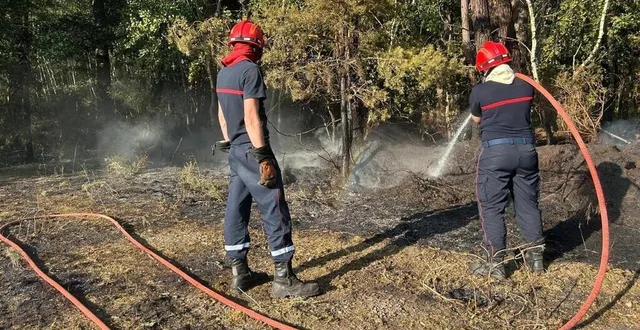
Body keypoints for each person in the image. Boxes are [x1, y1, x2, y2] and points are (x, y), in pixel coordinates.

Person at [214, 20, 320, 298]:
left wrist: (231, 144)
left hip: (236, 150)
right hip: (252, 148)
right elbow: (250, 116)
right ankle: (284, 280)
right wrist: (262, 157)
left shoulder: (223, 72)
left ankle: (240, 273)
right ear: (256, 45)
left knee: (236, 207)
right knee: (274, 207)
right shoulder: (250, 71)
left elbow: (223, 116)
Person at [468, 41, 545, 280]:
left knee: (491, 206)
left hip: (495, 155)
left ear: (484, 68)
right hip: (526, 152)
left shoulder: (480, 91)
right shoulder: (525, 86)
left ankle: (495, 263)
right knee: (528, 202)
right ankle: (536, 258)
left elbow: (476, 120)